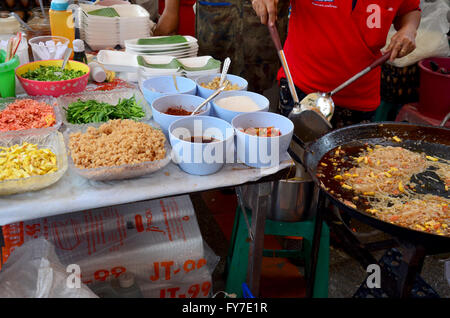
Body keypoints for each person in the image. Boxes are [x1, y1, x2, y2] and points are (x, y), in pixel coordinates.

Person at [251, 0, 421, 128]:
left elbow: (410, 9)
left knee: (350, 168)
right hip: (299, 90)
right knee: (293, 164)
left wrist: (409, 28)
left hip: (360, 97)